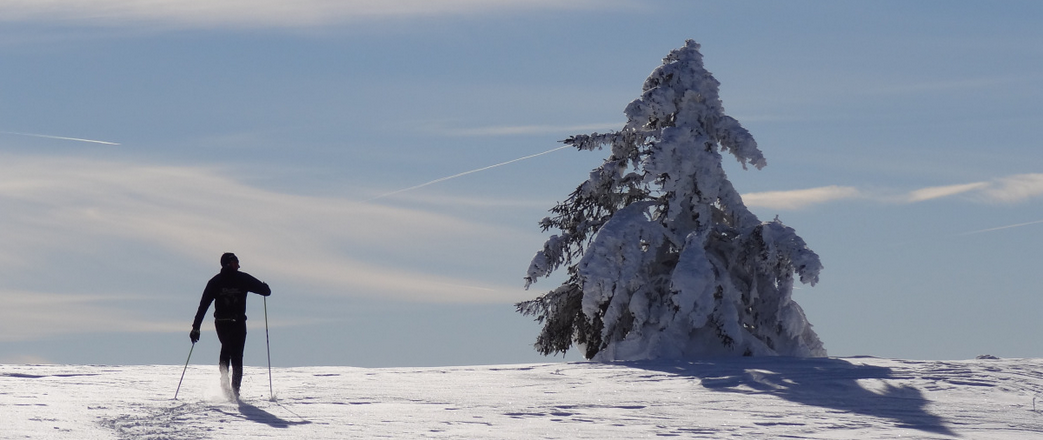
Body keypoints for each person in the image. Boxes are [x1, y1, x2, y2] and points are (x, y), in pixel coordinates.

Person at [190, 252, 271, 400]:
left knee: (230, 351)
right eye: (235, 262)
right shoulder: (236, 279)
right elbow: (266, 291)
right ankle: (231, 390)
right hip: (230, 323)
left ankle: (230, 388)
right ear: (228, 263)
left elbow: (203, 306)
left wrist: (196, 328)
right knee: (234, 353)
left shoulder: (218, 281)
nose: (238, 265)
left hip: (229, 323)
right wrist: (196, 327)